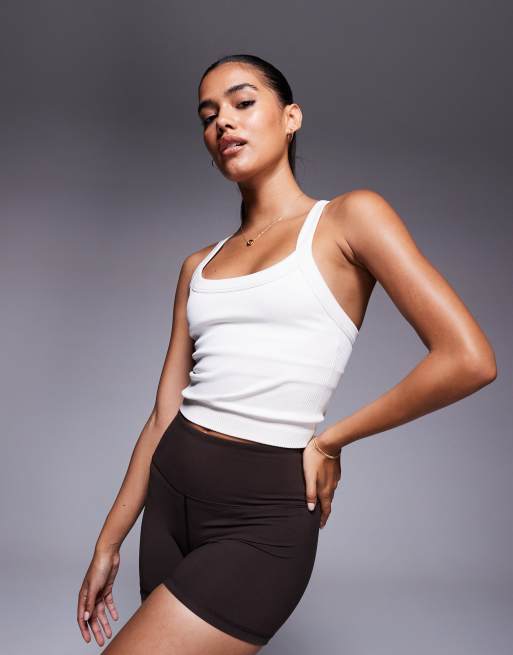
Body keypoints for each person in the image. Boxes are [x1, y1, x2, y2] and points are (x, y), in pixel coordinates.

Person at [76, 54, 497, 654]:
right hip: (167, 509)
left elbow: (469, 358)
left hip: (259, 520)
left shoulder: (349, 219)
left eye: (243, 103)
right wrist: (109, 540)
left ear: (291, 117)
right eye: (208, 116)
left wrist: (331, 441)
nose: (223, 122)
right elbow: (165, 412)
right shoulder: (198, 265)